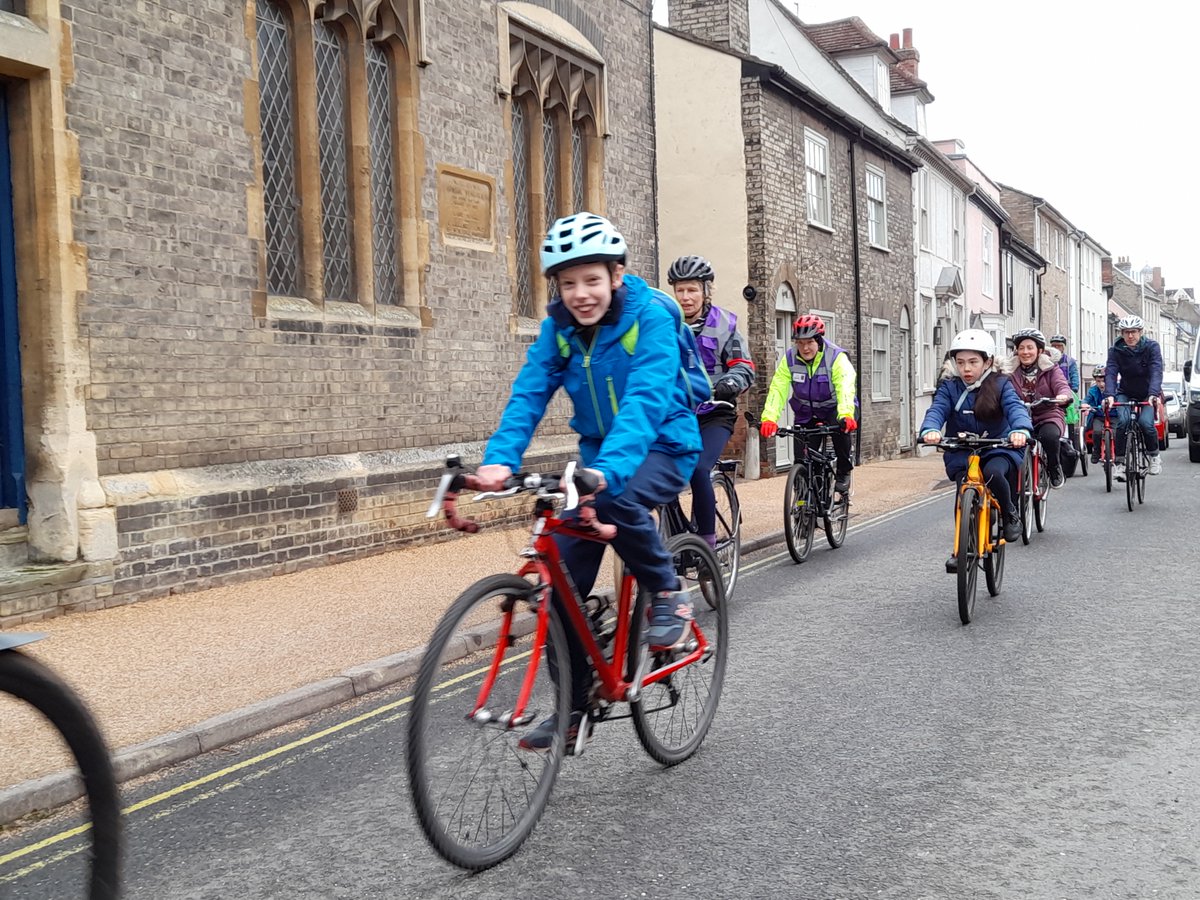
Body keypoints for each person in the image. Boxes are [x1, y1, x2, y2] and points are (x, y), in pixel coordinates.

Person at [476, 212, 703, 751]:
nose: (580, 294)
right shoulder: (559, 330)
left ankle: (669, 592)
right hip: (599, 453)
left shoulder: (649, 317)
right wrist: (498, 460)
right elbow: (529, 392)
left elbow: (647, 400)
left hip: (663, 442)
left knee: (617, 496)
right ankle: (571, 710)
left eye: (592, 279)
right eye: (568, 282)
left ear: (617, 275)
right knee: (560, 590)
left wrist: (608, 471)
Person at [920, 329, 1031, 569]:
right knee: (963, 492)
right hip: (963, 448)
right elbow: (937, 409)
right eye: (960, 363)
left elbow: (1015, 407)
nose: (966, 369)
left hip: (998, 445)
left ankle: (1010, 512)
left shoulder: (1002, 384)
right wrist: (931, 429)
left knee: (993, 472)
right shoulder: (950, 387)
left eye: (972, 362)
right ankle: (960, 549)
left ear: (988, 361)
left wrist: (1020, 429)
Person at [666, 255, 755, 549]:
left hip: (716, 413)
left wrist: (732, 382)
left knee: (698, 469)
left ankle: (707, 544)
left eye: (692, 289)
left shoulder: (725, 325)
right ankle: (672, 538)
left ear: (706, 291)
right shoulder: (664, 325)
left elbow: (744, 365)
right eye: (680, 290)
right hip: (678, 412)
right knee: (656, 471)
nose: (685, 297)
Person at [759, 314, 857, 492]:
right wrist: (769, 418)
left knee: (841, 430)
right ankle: (805, 501)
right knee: (802, 461)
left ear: (819, 341)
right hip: (806, 413)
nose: (804, 348)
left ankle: (843, 471)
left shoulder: (836, 357)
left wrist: (846, 414)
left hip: (834, 409)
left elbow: (845, 386)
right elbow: (778, 388)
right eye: (800, 343)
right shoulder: (789, 359)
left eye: (809, 342)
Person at [1008, 329, 1072, 489]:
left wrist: (1063, 395)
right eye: (1021, 348)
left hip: (1047, 413)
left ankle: (1054, 467)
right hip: (1019, 415)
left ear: (1040, 350)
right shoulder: (1008, 371)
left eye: (1030, 347)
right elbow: (1000, 388)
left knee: (1049, 437)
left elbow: (1061, 385)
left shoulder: (1051, 369)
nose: (1025, 352)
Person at [1102, 315, 1163, 480]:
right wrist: (1109, 395)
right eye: (1126, 332)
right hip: (1126, 391)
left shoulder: (1151, 347)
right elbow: (1111, 372)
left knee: (1145, 423)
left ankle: (1153, 456)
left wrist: (1153, 394)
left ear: (1140, 332)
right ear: (1121, 333)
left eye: (1134, 332)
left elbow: (1156, 371)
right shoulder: (1115, 350)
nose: (1130, 336)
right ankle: (1120, 463)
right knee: (1122, 421)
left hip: (1147, 393)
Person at [1050, 333, 1082, 462]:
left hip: (1066, 392)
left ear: (1063, 347)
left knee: (1069, 414)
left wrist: (1072, 391)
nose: (1057, 348)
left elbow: (1074, 378)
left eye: (1059, 346)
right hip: (1051, 393)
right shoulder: (1048, 360)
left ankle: (1070, 446)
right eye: (1054, 346)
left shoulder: (1070, 361)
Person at [1082, 366, 1108, 464]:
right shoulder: (1093, 390)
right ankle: (1096, 451)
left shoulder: (1115, 388)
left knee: (1117, 433)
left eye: (1103, 381)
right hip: (1099, 416)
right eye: (1098, 381)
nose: (1101, 384)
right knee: (1096, 432)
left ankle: (1119, 453)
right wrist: (1085, 404)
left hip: (1114, 416)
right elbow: (1086, 399)